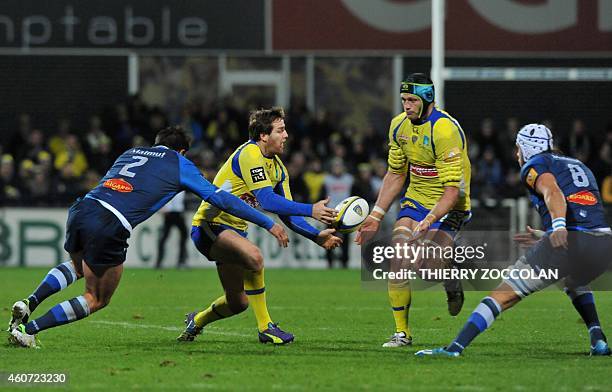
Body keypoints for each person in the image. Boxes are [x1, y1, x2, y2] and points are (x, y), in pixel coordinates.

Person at [7, 126, 288, 348]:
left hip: (84, 207)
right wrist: (266, 221)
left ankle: (29, 303)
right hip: (111, 222)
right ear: (182, 150)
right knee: (96, 297)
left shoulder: (130, 152)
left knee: (78, 266)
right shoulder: (179, 162)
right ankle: (29, 330)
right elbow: (220, 198)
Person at [417, 123, 612, 357]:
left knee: (502, 294)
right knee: (572, 279)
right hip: (602, 245)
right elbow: (585, 216)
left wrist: (558, 226)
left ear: (527, 148)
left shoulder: (535, 165)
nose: (517, 154)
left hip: (571, 242)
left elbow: (552, 191)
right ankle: (597, 339)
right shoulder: (578, 165)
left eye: (519, 148)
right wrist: (547, 234)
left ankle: (454, 348)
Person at [178, 107, 341, 345]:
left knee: (237, 303)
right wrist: (311, 209)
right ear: (263, 135)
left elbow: (285, 210)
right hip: (210, 225)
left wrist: (316, 235)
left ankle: (197, 321)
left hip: (234, 232)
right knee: (255, 257)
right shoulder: (250, 153)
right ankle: (266, 328)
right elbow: (266, 200)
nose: (286, 136)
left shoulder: (278, 169)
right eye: (281, 130)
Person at [356, 73, 472, 348]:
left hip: (450, 205)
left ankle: (450, 274)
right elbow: (396, 174)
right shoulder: (398, 126)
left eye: (412, 100)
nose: (406, 106)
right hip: (416, 200)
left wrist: (431, 219)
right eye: (403, 100)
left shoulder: (444, 130)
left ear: (427, 98)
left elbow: (452, 191)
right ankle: (402, 334)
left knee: (428, 268)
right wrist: (376, 215)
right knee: (399, 261)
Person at [156, 191, 188, 269]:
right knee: (165, 237)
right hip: (171, 212)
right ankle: (180, 262)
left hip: (177, 212)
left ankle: (181, 261)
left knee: (182, 235)